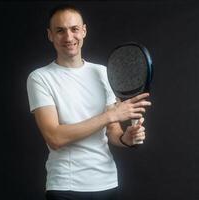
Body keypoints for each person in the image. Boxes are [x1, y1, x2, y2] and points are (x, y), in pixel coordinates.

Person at [26, 4, 151, 200]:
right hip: (66, 187)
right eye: (60, 31)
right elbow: (55, 137)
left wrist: (126, 138)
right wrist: (111, 115)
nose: (69, 37)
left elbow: (113, 132)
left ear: (83, 31)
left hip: (108, 182)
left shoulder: (102, 73)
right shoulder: (40, 78)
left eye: (74, 29)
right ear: (50, 35)